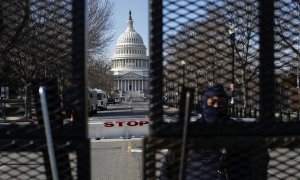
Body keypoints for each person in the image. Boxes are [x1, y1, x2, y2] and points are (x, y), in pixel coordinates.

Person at [159, 84, 269, 180]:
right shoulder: (191, 130)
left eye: (221, 102)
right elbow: (168, 166)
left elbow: (260, 158)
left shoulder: (238, 129)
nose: (216, 106)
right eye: (212, 102)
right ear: (205, 104)